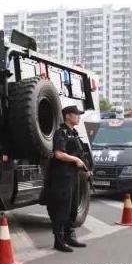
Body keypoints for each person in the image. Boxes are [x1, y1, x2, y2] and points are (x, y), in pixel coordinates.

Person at [47, 105, 90, 252]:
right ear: (67, 116)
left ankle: (70, 237)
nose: (78, 116)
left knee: (72, 207)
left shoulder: (75, 133)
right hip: (62, 176)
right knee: (62, 208)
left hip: (73, 175)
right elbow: (58, 154)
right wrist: (75, 160)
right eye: (76, 114)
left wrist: (84, 169)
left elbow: (79, 154)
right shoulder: (61, 133)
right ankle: (58, 241)